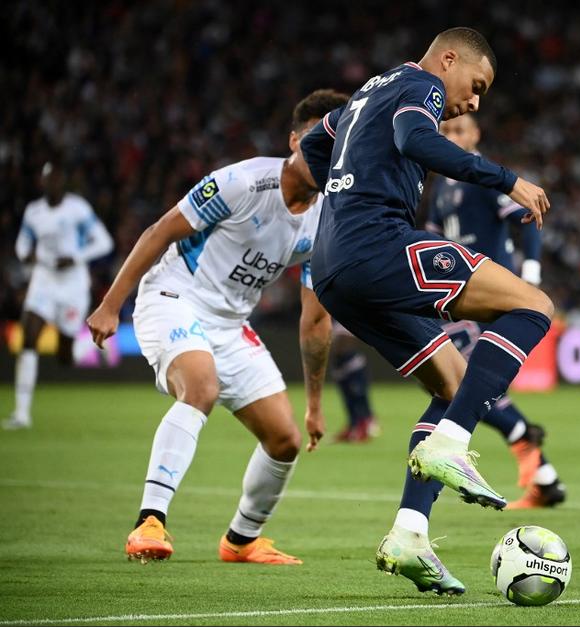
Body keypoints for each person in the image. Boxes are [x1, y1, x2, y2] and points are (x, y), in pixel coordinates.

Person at [300, 27, 553, 594]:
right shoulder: (421, 84)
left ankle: (410, 535)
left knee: (452, 383)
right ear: (449, 59)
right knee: (534, 304)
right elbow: (416, 139)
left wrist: (343, 195)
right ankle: (453, 444)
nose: (473, 101)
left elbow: (312, 148)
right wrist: (508, 180)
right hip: (378, 243)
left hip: (333, 266)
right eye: (477, 84)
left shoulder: (368, 90)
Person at [85, 89, 347, 564]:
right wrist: (110, 304)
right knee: (200, 387)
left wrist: (313, 404)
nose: (324, 156)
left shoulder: (327, 220)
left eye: (336, 147)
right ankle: (150, 521)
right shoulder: (243, 182)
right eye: (315, 142)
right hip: (174, 297)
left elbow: (315, 318)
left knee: (285, 440)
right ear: (293, 140)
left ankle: (241, 540)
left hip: (229, 324)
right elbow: (160, 230)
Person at [425, 113, 566, 510]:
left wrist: (531, 274)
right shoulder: (440, 186)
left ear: (476, 134)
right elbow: (433, 240)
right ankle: (543, 474)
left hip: (488, 291)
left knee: (458, 382)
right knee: (464, 383)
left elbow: (530, 215)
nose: (451, 137)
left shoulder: (484, 177)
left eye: (459, 130)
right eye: (446, 131)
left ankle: (524, 439)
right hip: (456, 295)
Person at [6, 160, 114, 430]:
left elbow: (104, 242)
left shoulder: (78, 209)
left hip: (72, 286)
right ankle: (21, 414)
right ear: (42, 182)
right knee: (29, 338)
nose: (52, 183)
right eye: (48, 179)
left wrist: (76, 257)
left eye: (56, 178)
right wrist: (25, 254)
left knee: (64, 357)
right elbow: (22, 243)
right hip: (43, 282)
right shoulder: (34, 212)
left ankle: (89, 346)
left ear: (63, 181)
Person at [329, 321, 381, 443]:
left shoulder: (346, 317)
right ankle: (352, 426)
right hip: (340, 365)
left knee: (358, 396)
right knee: (347, 399)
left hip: (352, 364)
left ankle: (364, 427)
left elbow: (347, 341)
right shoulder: (333, 319)